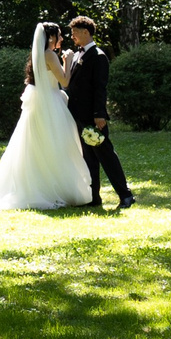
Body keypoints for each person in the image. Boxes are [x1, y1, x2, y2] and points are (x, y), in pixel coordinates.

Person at [0, 21, 94, 209]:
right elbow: (64, 81)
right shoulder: (50, 55)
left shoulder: (38, 55)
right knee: (56, 143)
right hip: (51, 104)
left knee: (37, 143)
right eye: (59, 35)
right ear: (51, 38)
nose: (62, 38)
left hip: (41, 103)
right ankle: (55, 187)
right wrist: (68, 60)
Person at [60, 16, 133, 209]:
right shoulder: (77, 55)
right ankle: (93, 197)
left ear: (86, 32)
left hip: (92, 116)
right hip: (77, 115)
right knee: (88, 158)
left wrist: (99, 114)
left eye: (75, 32)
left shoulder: (98, 56)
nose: (72, 36)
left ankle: (126, 195)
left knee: (105, 154)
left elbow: (100, 88)